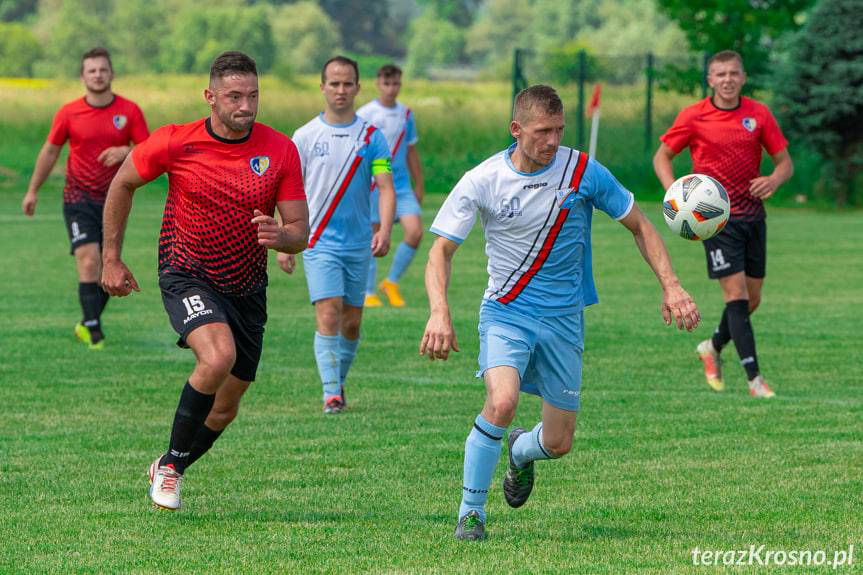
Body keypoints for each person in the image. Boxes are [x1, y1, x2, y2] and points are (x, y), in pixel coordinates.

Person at [420, 85, 700, 541]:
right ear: (516, 130)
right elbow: (441, 252)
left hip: (564, 320)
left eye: (559, 130)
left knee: (558, 442)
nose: (552, 141)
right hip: (506, 312)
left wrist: (672, 286)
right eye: (542, 131)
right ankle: (471, 512)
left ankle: (521, 454)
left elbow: (640, 225)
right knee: (503, 401)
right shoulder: (482, 179)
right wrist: (439, 312)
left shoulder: (583, 170)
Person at [100, 51, 309, 511]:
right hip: (186, 272)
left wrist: (283, 237)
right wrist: (111, 258)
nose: (246, 106)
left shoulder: (280, 150)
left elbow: (300, 231)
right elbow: (122, 183)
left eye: (253, 95)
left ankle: (169, 463)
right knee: (217, 357)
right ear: (210, 97)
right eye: (234, 96)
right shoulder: (176, 141)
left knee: (225, 407)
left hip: (248, 288)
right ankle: (172, 468)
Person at [653, 50, 793, 399]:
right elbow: (662, 157)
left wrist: (774, 180)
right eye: (720, 74)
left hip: (754, 216)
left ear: (743, 77)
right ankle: (755, 381)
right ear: (710, 80)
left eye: (733, 73)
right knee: (737, 295)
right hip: (715, 221)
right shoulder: (694, 116)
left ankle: (712, 346)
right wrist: (676, 196)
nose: (727, 79)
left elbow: (785, 163)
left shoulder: (758, 114)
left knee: (751, 300)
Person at [279, 56, 396, 415]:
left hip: (359, 242)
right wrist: (285, 241)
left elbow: (386, 186)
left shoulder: (372, 138)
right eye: (334, 83)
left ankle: (338, 381)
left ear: (358, 88)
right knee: (328, 314)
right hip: (317, 242)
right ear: (322, 87)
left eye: (348, 84)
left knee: (352, 321)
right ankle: (331, 393)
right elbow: (285, 189)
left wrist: (386, 229)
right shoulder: (305, 136)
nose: (341, 90)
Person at [22, 47, 149, 349]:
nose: (97, 75)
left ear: (111, 74)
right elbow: (50, 151)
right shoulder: (69, 112)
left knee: (109, 264)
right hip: (77, 197)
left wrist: (124, 151)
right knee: (88, 259)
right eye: (91, 70)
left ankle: (88, 321)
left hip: (115, 200)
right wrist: (32, 190)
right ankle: (93, 328)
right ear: (83, 76)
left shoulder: (129, 111)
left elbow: (147, 148)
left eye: (103, 69)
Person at [358, 64, 425, 308]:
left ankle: (391, 282)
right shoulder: (366, 113)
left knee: (415, 232)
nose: (391, 88)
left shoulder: (406, 114)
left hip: (401, 185)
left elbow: (411, 151)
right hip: (375, 185)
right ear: (378, 83)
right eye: (387, 83)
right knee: (374, 235)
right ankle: (367, 291)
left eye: (395, 83)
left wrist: (419, 184)